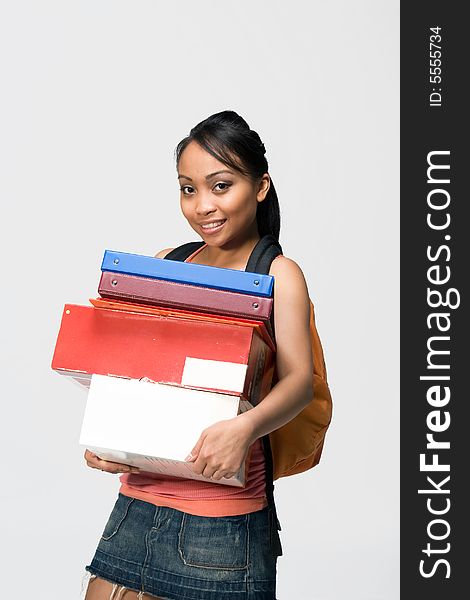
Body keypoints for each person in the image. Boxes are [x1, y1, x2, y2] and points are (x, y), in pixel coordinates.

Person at [82, 110, 314, 600]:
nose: (202, 205)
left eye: (221, 185)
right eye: (188, 188)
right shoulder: (171, 261)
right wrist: (111, 436)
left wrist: (245, 428)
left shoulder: (278, 274)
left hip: (222, 519)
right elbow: (141, 370)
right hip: (138, 496)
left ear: (261, 187)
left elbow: (299, 382)